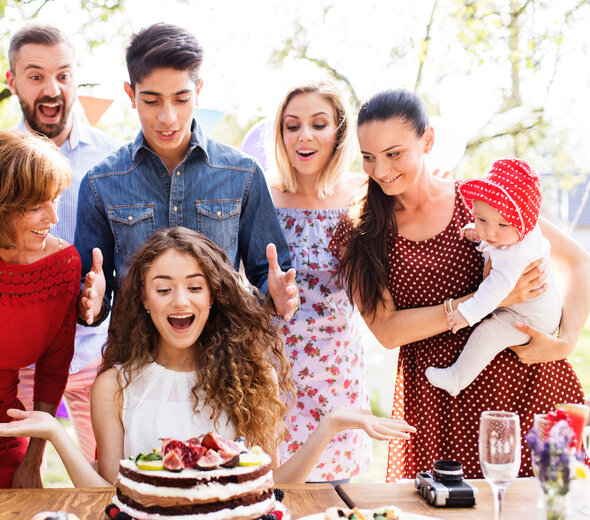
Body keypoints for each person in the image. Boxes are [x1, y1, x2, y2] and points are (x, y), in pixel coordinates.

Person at [0, 227, 415, 486]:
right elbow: (110, 494)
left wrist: (330, 426)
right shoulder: (114, 385)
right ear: (144, 299)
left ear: (214, 295)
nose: (180, 301)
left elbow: (268, 485)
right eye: (163, 289)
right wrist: (55, 434)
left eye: (195, 287)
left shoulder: (253, 376)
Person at [330, 88, 589, 481]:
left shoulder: (484, 201)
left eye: (394, 153)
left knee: (552, 505)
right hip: (441, 402)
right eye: (368, 157)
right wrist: (481, 301)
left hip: (527, 378)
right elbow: (386, 330)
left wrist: (566, 340)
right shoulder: (360, 231)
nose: (380, 170)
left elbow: (578, 261)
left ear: (427, 140)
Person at [74, 23, 297, 330]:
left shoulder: (243, 174)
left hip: (223, 361)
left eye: (181, 99)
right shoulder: (101, 183)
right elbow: (92, 293)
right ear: (131, 94)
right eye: (152, 101)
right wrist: (92, 303)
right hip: (137, 363)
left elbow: (270, 276)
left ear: (199, 91)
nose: (168, 117)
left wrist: (277, 297)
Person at [6, 24, 121, 463]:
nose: (52, 89)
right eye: (35, 76)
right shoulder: (2, 160)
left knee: (108, 483)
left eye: (64, 75)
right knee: (13, 481)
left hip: (97, 353)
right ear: (13, 81)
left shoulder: (113, 159)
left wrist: (101, 296)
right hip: (18, 362)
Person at [270, 80, 372, 482]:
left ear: (340, 131)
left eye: (318, 124)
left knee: (333, 496)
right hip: (274, 374)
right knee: (270, 496)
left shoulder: (364, 193)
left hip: (337, 372)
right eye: (292, 125)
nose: (304, 136)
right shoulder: (262, 192)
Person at [426, 158, 562, 396]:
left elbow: (495, 290)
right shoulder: (511, 234)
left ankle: (457, 378)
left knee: (488, 332)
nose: (489, 231)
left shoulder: (516, 256)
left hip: (530, 320)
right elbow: (495, 236)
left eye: (501, 224)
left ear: (523, 225)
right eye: (481, 219)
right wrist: (476, 232)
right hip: (531, 308)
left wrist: (466, 314)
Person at [0, 130, 81, 488]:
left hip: (7, 428)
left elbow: (53, 369)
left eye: (55, 200)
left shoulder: (63, 265)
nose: (53, 217)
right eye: (36, 206)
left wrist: (34, 458)